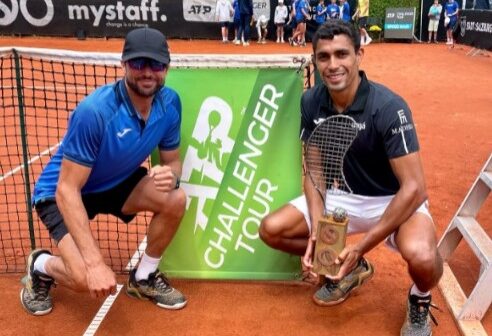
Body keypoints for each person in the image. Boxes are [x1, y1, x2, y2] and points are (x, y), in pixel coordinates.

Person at [259, 20, 443, 336]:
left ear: (359, 55)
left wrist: (362, 246)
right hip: (341, 198)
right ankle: (352, 270)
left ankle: (420, 299)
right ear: (314, 60)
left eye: (342, 54)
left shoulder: (388, 107)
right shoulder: (311, 101)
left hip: (393, 201)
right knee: (271, 230)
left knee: (423, 258)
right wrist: (318, 230)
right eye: (324, 56)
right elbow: (314, 170)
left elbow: (414, 188)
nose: (333, 65)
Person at [20, 27, 188, 316]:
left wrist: (169, 175)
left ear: (167, 68)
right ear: (123, 64)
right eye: (138, 63)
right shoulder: (95, 112)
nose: (148, 72)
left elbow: (173, 162)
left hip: (115, 183)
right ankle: (40, 266)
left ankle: (144, 277)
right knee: (84, 278)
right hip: (62, 192)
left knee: (176, 198)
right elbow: (66, 189)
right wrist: (95, 263)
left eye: (156, 64)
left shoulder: (170, 104)